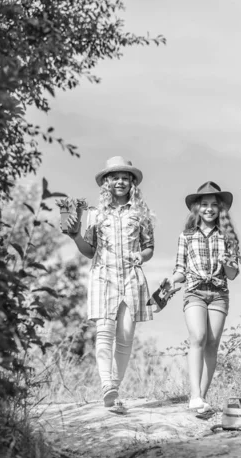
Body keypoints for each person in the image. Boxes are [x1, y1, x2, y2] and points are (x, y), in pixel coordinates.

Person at [63, 156, 154, 408]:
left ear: (132, 183)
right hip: (103, 275)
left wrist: (141, 256)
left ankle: (115, 389)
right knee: (104, 331)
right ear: (107, 182)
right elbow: (90, 250)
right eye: (116, 177)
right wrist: (74, 237)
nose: (121, 181)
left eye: (126, 177)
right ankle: (107, 385)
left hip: (131, 277)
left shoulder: (141, 213)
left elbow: (149, 248)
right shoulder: (95, 214)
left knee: (125, 335)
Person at [162, 181, 240, 415]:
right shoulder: (186, 236)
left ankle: (202, 398)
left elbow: (233, 274)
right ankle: (194, 394)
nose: (209, 209)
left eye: (213, 205)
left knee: (212, 343)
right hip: (194, 291)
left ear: (220, 209)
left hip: (218, 293)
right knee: (198, 336)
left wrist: (228, 263)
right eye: (204, 204)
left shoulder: (228, 237)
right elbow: (180, 270)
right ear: (197, 208)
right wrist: (171, 281)